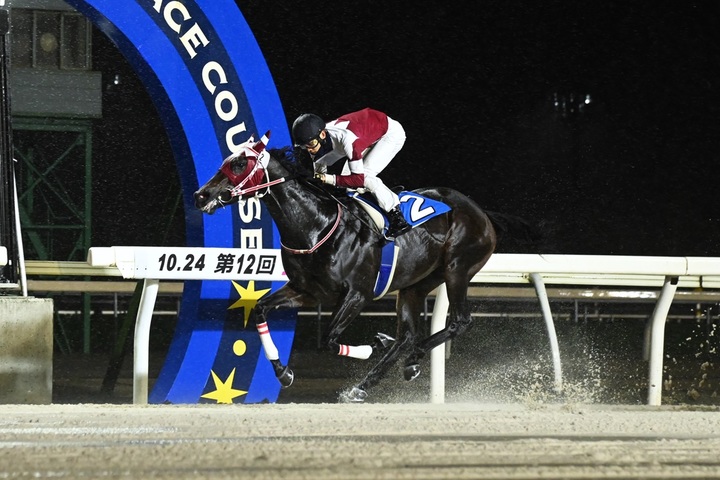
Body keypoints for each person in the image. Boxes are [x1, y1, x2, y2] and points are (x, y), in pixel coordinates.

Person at [291, 108, 411, 240]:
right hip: (367, 133)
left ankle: (396, 215)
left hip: (390, 134)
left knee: (365, 176)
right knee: (346, 185)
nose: (309, 149)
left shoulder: (347, 140)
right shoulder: (316, 140)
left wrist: (327, 178)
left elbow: (358, 179)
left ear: (323, 135)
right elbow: (320, 177)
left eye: (311, 144)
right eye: (304, 146)